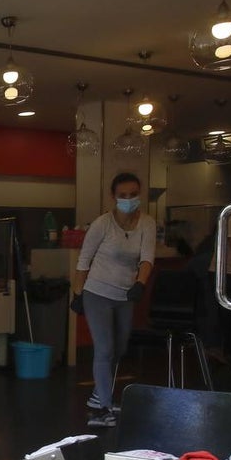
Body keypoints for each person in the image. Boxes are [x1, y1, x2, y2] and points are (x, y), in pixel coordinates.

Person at [70, 172, 156, 427]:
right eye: (122, 195)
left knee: (118, 349)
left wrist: (140, 283)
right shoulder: (102, 224)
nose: (128, 200)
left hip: (125, 294)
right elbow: (83, 261)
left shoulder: (147, 224)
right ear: (113, 197)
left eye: (133, 195)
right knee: (104, 349)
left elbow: (147, 258)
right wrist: (78, 294)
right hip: (97, 293)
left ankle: (98, 396)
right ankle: (104, 408)